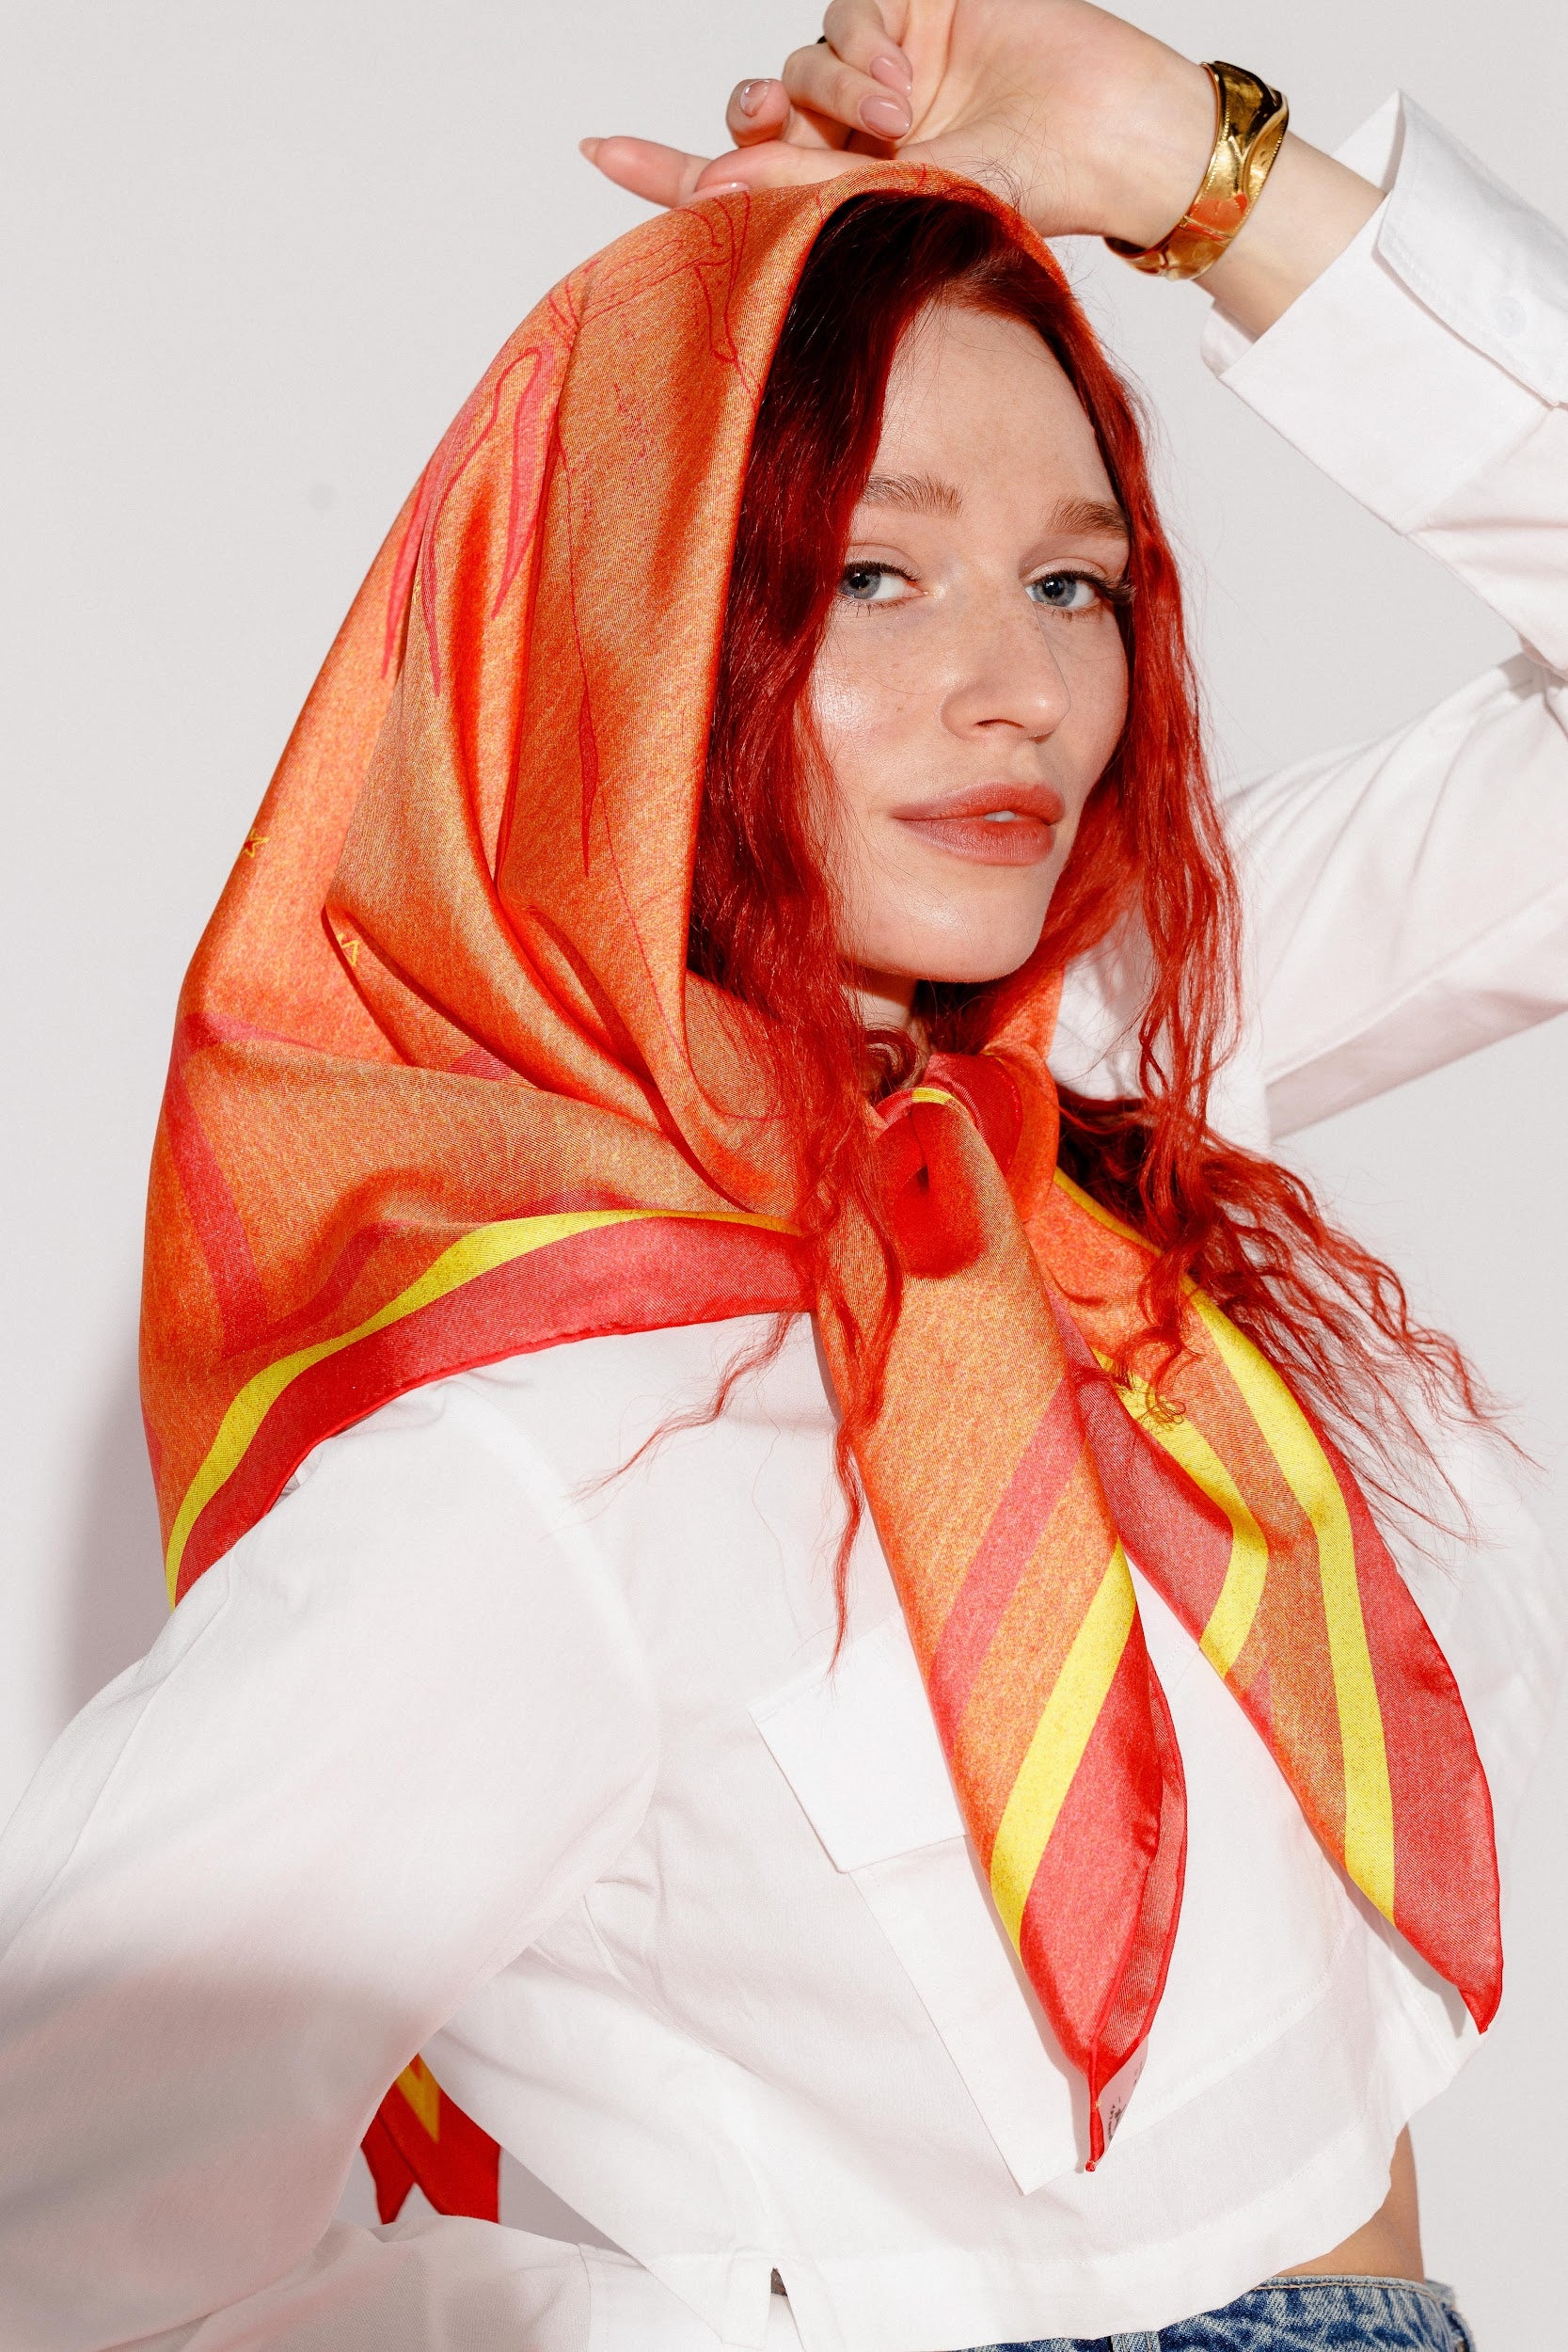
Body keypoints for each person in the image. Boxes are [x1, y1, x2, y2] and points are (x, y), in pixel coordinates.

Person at [0, 1, 1564, 2345]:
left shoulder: (1100, 1084)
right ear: (634, 643)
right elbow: (58, 2212)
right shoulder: (528, 1461)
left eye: (1075, 580)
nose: (1020, 688)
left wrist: (1179, 165)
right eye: (867, 578)